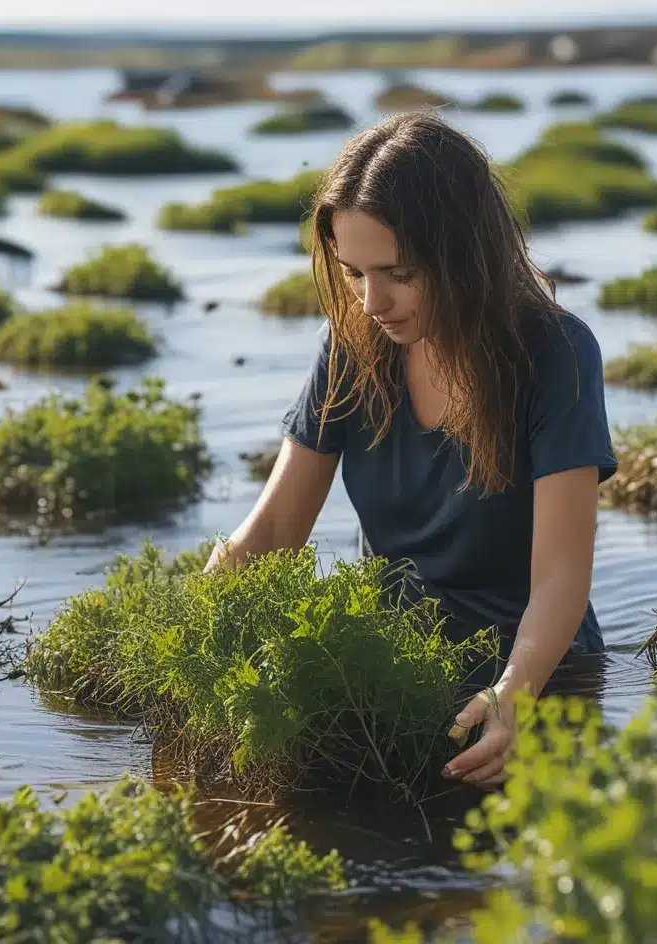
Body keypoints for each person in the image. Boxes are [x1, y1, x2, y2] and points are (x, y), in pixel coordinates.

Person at [205, 110, 617, 790]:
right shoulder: (350, 346)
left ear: (463, 254)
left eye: (399, 272)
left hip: (537, 678)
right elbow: (274, 531)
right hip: (394, 669)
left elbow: (561, 578)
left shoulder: (556, 354)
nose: (373, 303)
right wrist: (191, 628)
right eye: (355, 272)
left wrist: (513, 697)